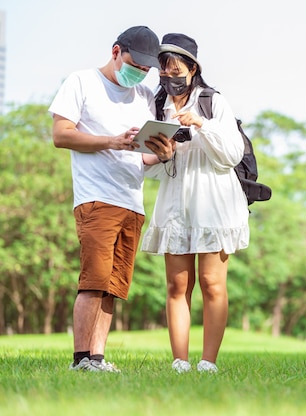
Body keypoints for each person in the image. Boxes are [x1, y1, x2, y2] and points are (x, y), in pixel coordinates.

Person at [49, 26, 175, 372]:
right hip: (97, 198)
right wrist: (111, 141)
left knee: (114, 285)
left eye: (148, 70)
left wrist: (162, 154)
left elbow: (142, 157)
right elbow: (61, 135)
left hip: (132, 202)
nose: (141, 74)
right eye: (137, 65)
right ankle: (80, 359)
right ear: (116, 51)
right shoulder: (82, 82)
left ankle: (98, 358)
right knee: (94, 279)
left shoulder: (145, 96)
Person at [141, 33, 249, 373]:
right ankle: (180, 362)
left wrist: (201, 125)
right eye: (163, 69)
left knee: (212, 283)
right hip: (175, 200)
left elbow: (232, 154)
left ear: (192, 68)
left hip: (213, 201)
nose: (169, 76)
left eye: (176, 69)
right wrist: (161, 153)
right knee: (177, 285)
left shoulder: (212, 102)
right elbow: (148, 164)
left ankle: (208, 362)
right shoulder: (156, 106)